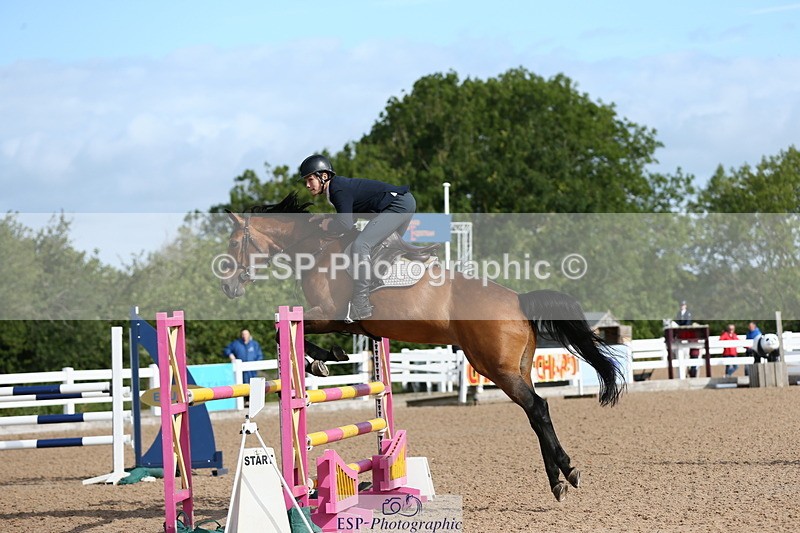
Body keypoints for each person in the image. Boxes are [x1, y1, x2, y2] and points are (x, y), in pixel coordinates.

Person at [301, 154, 416, 322]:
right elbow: (350, 218)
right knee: (381, 250)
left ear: (323, 176)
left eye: (310, 179)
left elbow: (346, 225)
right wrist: (327, 217)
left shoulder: (337, 189)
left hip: (398, 205)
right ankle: (378, 292)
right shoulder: (337, 188)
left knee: (361, 245)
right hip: (403, 203)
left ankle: (360, 303)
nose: (307, 185)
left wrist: (328, 225)